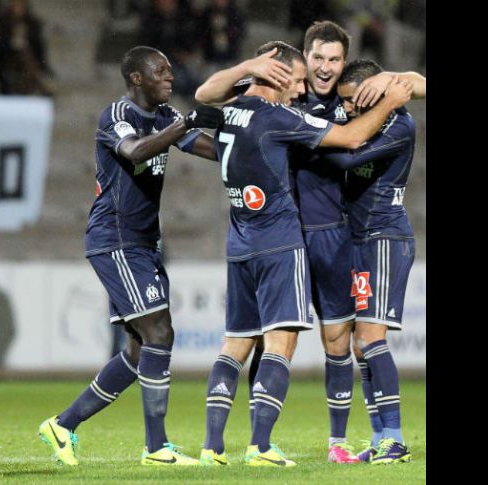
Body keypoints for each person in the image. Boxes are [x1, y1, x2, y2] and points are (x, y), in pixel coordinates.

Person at [197, 20, 425, 463]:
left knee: (340, 342)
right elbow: (208, 95)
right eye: (316, 59)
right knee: (265, 341)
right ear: (303, 59)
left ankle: (337, 442)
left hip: (333, 236)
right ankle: (257, 440)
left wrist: (392, 81)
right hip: (284, 234)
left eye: (333, 60)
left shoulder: (357, 94)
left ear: (344, 62)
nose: (323, 69)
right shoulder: (286, 99)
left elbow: (415, 85)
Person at [38, 45, 224, 466]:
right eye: (161, 72)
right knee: (160, 333)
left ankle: (63, 425)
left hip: (143, 242)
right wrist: (185, 125)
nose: (170, 78)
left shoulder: (166, 117)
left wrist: (249, 137)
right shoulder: (116, 115)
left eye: (171, 72)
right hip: (116, 238)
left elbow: (208, 148)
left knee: (142, 350)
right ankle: (156, 448)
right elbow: (136, 151)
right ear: (136, 78)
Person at [317, 58, 417, 464]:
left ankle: (394, 439)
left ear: (373, 93)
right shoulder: (359, 113)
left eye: (354, 102)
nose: (349, 110)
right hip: (359, 240)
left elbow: (344, 158)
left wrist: (311, 139)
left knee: (372, 338)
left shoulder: (399, 125)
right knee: (361, 346)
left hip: (386, 238)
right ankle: (379, 440)